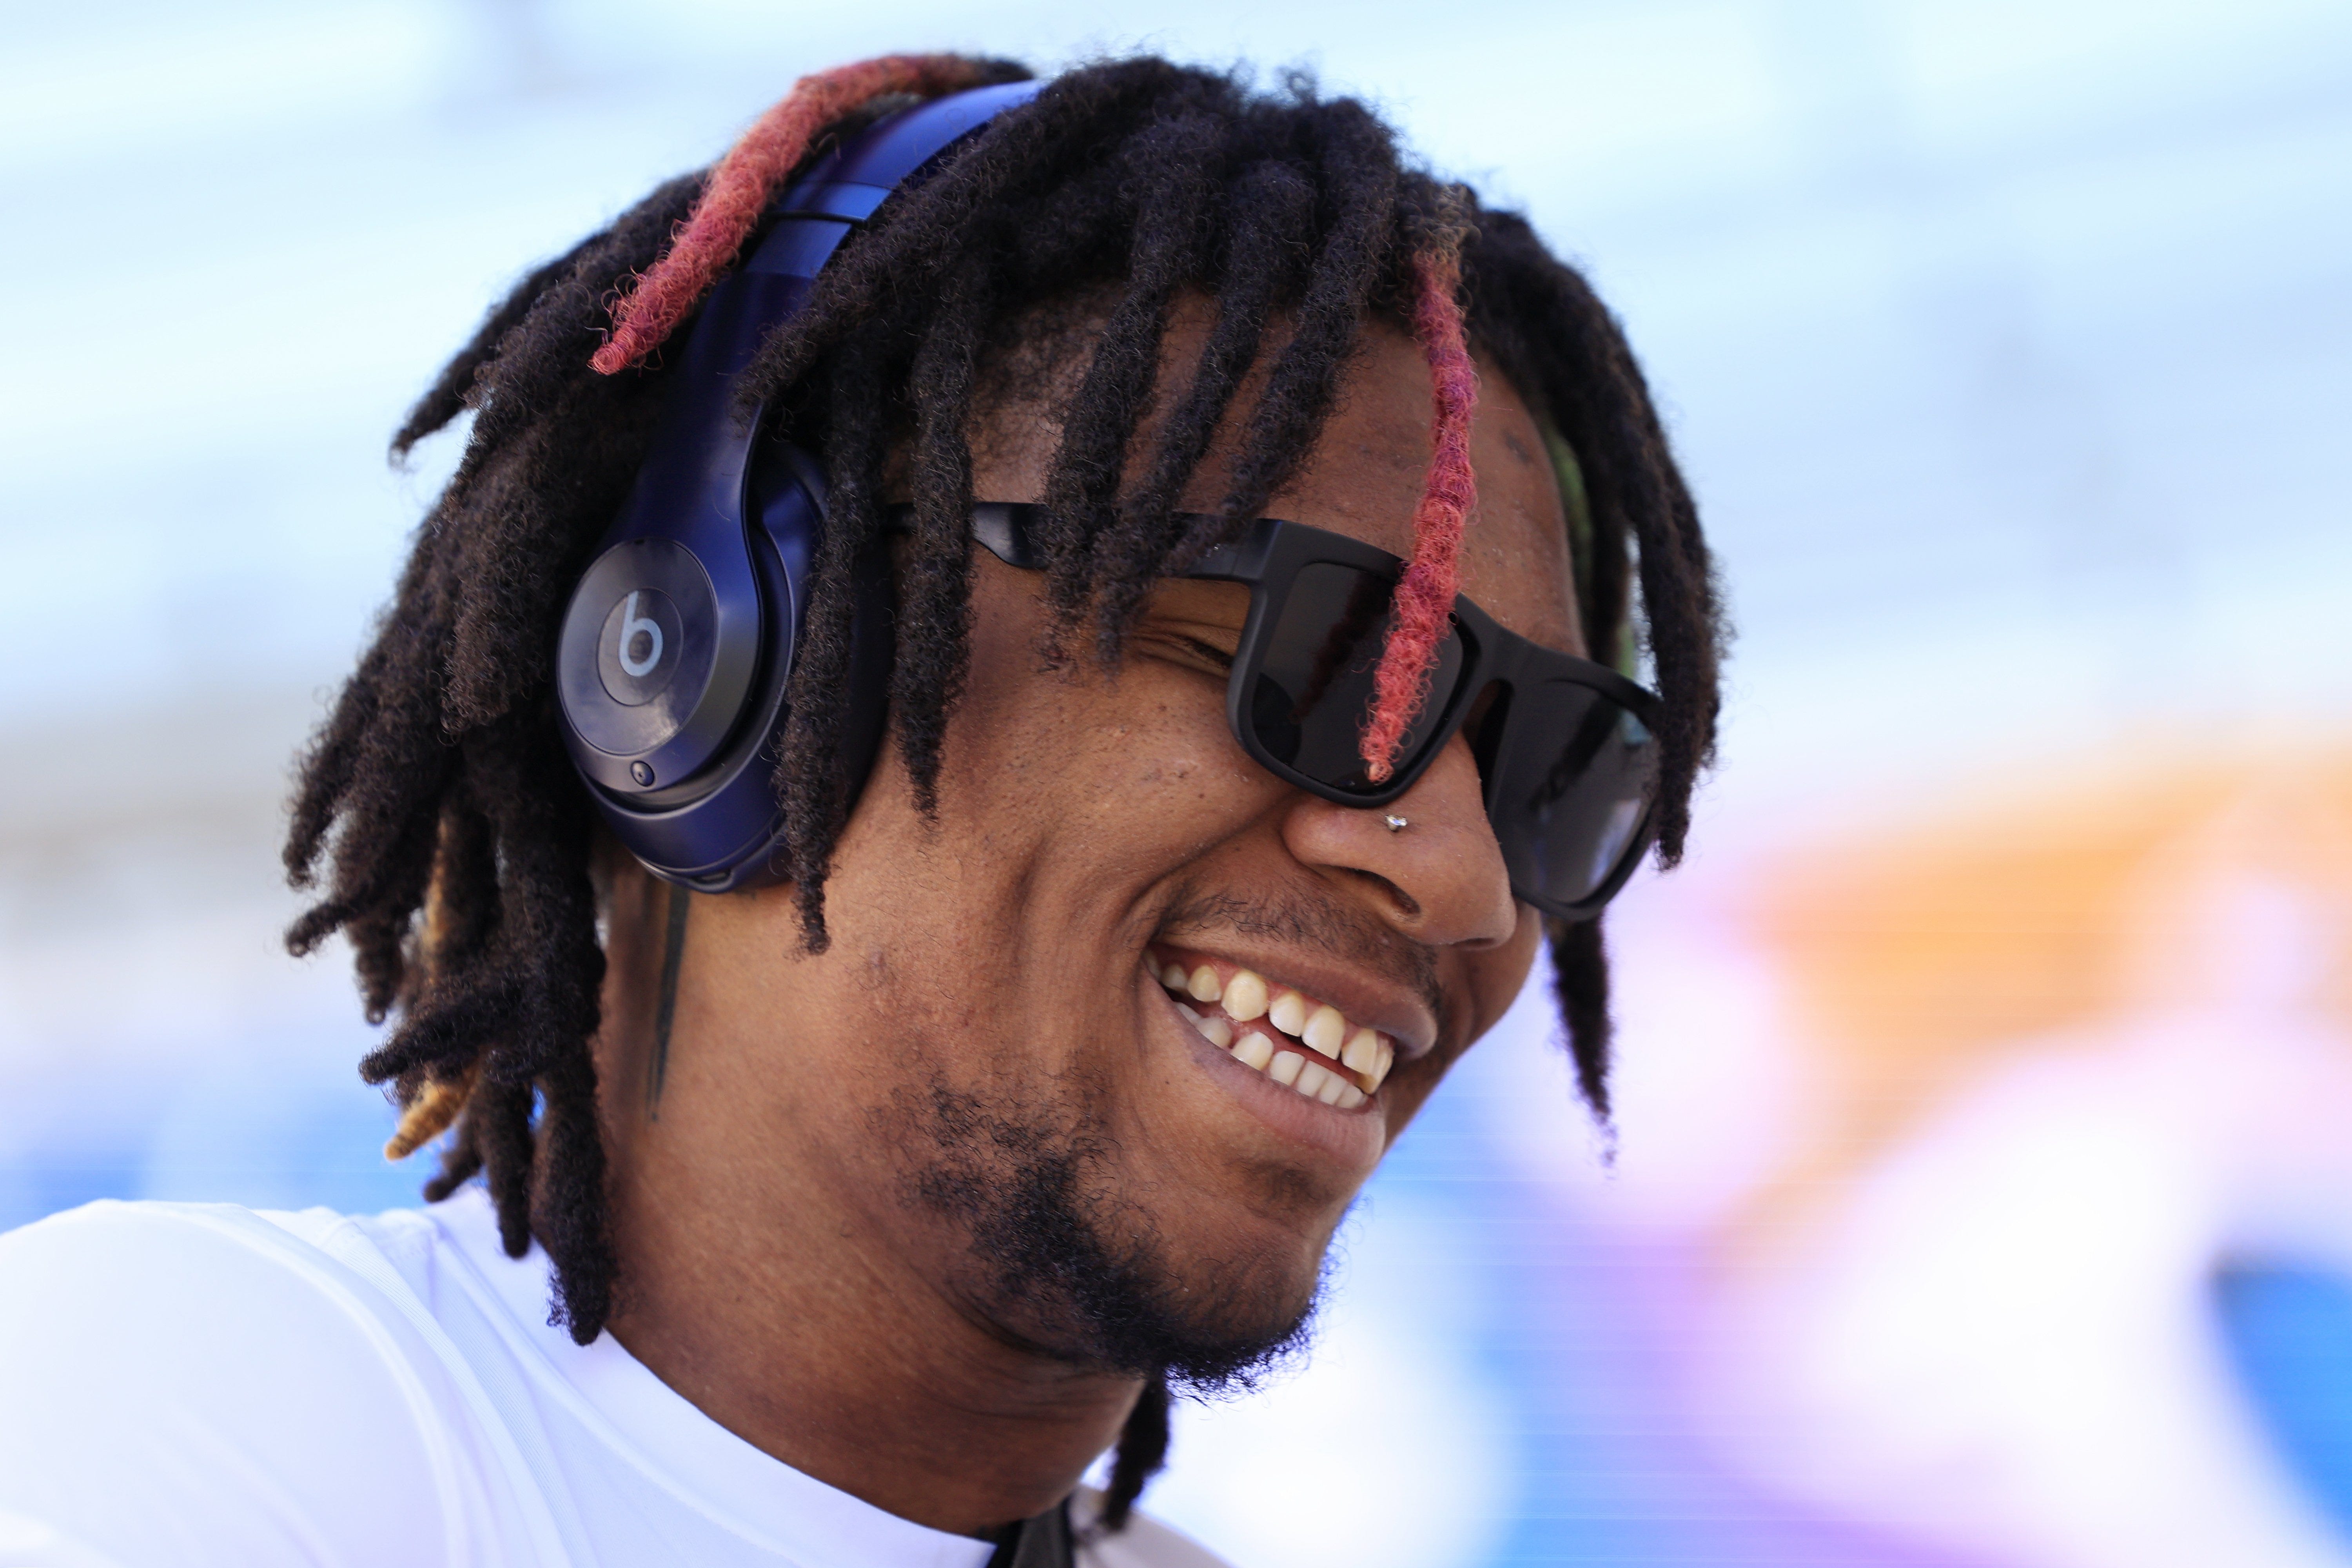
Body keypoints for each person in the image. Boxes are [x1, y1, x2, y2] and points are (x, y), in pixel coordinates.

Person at [0, 53, 1720, 1568]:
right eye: (1325, 652)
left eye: (1556, 763)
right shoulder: (199, 1413)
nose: (1472, 878)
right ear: (717, 645)